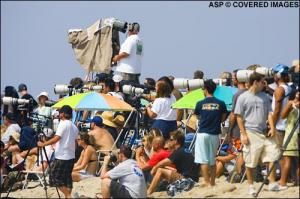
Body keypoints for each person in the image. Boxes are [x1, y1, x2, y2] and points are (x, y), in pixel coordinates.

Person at [234, 72, 281, 195]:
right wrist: (243, 134)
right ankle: (250, 185)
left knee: (272, 154)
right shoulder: (243, 97)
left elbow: (269, 113)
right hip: (250, 131)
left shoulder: (264, 96)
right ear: (255, 82)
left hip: (264, 131)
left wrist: (272, 127)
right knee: (251, 161)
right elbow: (238, 117)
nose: (264, 84)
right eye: (262, 82)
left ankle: (272, 183)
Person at [37, 105, 79, 198]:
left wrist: (43, 144)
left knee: (53, 177)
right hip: (71, 156)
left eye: (60, 112)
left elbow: (56, 138)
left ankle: (68, 195)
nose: (59, 114)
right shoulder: (74, 126)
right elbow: (76, 143)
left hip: (62, 156)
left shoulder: (63, 123)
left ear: (63, 114)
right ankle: (68, 196)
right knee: (67, 178)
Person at [194, 79, 228, 187]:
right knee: (212, 159)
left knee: (203, 160)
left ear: (206, 89)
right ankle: (212, 183)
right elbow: (223, 119)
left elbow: (198, 117)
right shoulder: (221, 103)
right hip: (215, 133)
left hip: (203, 133)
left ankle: (206, 181)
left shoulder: (199, 103)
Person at [147, 130, 199, 195]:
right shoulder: (185, 150)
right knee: (165, 170)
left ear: (176, 141)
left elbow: (160, 164)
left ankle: (148, 192)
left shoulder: (177, 152)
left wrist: (152, 171)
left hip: (187, 181)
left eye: (171, 140)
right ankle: (156, 188)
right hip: (194, 180)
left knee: (160, 170)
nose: (169, 141)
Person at [278, 90, 299, 189]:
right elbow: (283, 116)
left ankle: (283, 182)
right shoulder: (292, 104)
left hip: (293, 134)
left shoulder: (294, 104)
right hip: (293, 133)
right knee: (292, 159)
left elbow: (282, 116)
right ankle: (294, 181)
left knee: (288, 158)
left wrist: (292, 105)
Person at [228, 69, 247, 139]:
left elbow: (233, 114)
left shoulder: (238, 95)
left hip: (238, 132)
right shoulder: (250, 93)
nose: (232, 80)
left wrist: (229, 130)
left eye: (233, 78)